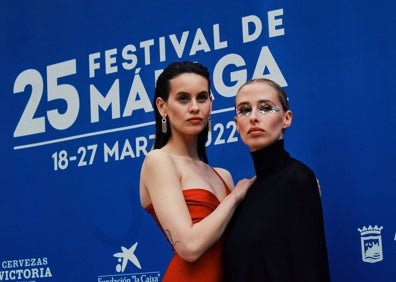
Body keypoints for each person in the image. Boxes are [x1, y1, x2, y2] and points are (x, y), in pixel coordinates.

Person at [139, 61, 254, 282]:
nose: (194, 107)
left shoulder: (223, 175)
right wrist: (237, 197)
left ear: (211, 103)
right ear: (162, 106)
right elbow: (189, 247)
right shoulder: (159, 160)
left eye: (201, 97)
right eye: (183, 98)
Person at [223, 78, 331, 281]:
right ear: (237, 124)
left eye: (265, 108)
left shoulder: (298, 179)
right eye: (245, 110)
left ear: (286, 118)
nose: (254, 117)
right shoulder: (246, 193)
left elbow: (311, 267)